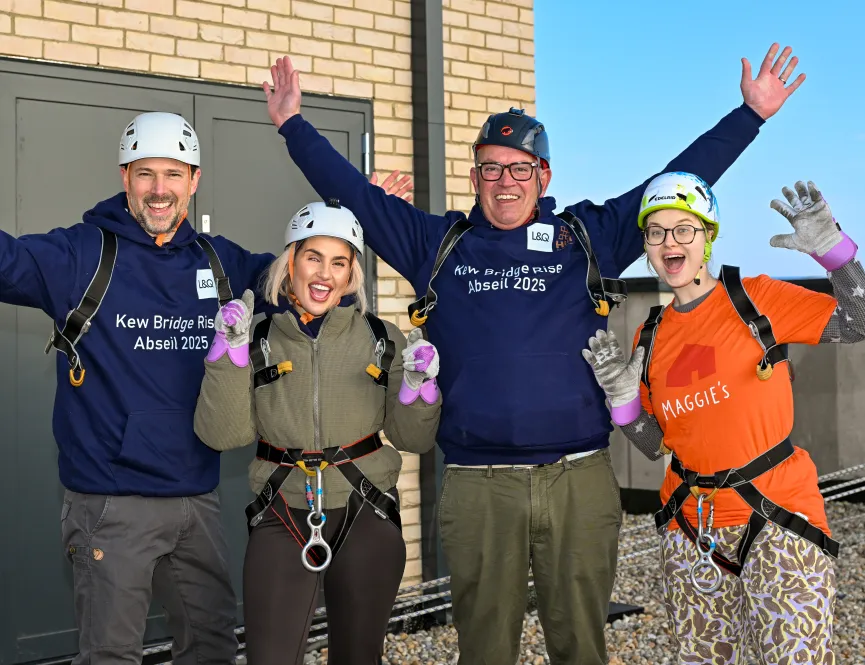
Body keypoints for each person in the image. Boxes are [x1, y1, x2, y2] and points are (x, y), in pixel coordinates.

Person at [260, 45, 806, 665]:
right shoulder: (436, 243)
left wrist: (750, 115)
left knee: (580, 644)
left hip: (577, 478)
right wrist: (293, 126)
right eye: (491, 169)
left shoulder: (586, 237)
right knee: (484, 648)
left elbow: (672, 181)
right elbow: (353, 193)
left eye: (520, 169)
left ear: (544, 177)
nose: (505, 182)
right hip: (476, 484)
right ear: (475, 178)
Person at [0, 110, 409, 665]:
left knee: (212, 645)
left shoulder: (218, 262)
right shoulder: (80, 256)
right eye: (146, 174)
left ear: (195, 181)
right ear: (125, 177)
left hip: (196, 501)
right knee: (111, 655)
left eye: (175, 174)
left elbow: (306, 278)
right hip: (110, 502)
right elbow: (7, 261)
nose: (160, 189)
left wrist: (352, 217)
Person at [582, 173, 865, 664]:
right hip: (691, 530)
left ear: (707, 236)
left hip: (779, 520)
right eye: (657, 232)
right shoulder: (648, 337)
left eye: (684, 229)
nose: (670, 242)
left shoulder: (756, 299)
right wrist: (623, 401)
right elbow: (655, 445)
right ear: (646, 246)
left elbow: (859, 322)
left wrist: (832, 250)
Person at [193, 199, 442, 665]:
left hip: (365, 506)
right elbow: (221, 435)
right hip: (282, 510)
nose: (324, 273)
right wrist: (228, 357)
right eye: (313, 257)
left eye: (339, 262)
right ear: (290, 263)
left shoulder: (382, 337)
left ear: (351, 276)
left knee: (358, 655)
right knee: (270, 656)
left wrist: (417, 388)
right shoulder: (258, 336)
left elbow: (415, 439)